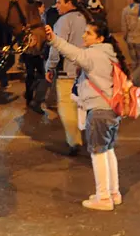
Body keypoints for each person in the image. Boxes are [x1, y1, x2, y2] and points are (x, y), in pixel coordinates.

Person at [44, 20, 129, 211]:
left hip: (98, 111)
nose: (83, 36)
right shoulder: (109, 53)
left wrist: (53, 39)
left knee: (98, 154)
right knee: (108, 151)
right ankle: (113, 193)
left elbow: (72, 53)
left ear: (99, 38)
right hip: (111, 111)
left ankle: (103, 198)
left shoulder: (93, 54)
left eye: (88, 33)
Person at [45, 0, 87, 156]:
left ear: (70, 3)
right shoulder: (85, 18)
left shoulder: (63, 21)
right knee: (82, 104)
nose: (56, 5)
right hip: (85, 70)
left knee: (66, 106)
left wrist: (50, 66)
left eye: (59, 2)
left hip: (67, 70)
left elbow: (56, 45)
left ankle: (74, 141)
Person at [22, 0, 46, 113]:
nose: (43, 9)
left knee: (32, 75)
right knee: (39, 75)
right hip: (35, 54)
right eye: (42, 7)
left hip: (31, 54)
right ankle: (31, 97)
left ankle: (29, 96)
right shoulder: (38, 22)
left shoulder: (30, 21)